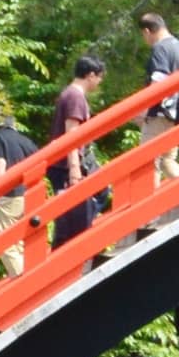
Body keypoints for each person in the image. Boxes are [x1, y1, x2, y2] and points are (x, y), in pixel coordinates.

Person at [48, 55, 103, 246]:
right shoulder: (75, 97)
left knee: (97, 194)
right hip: (66, 164)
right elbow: (72, 135)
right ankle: (66, 251)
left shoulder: (69, 94)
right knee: (70, 216)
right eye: (99, 77)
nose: (99, 82)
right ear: (90, 75)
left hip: (63, 163)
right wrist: (74, 168)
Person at [0, 119, 33, 278]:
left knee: (7, 245)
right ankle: (27, 276)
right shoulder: (25, 140)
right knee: (20, 243)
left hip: (9, 195)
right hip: (29, 194)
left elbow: (0, 162)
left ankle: (26, 283)